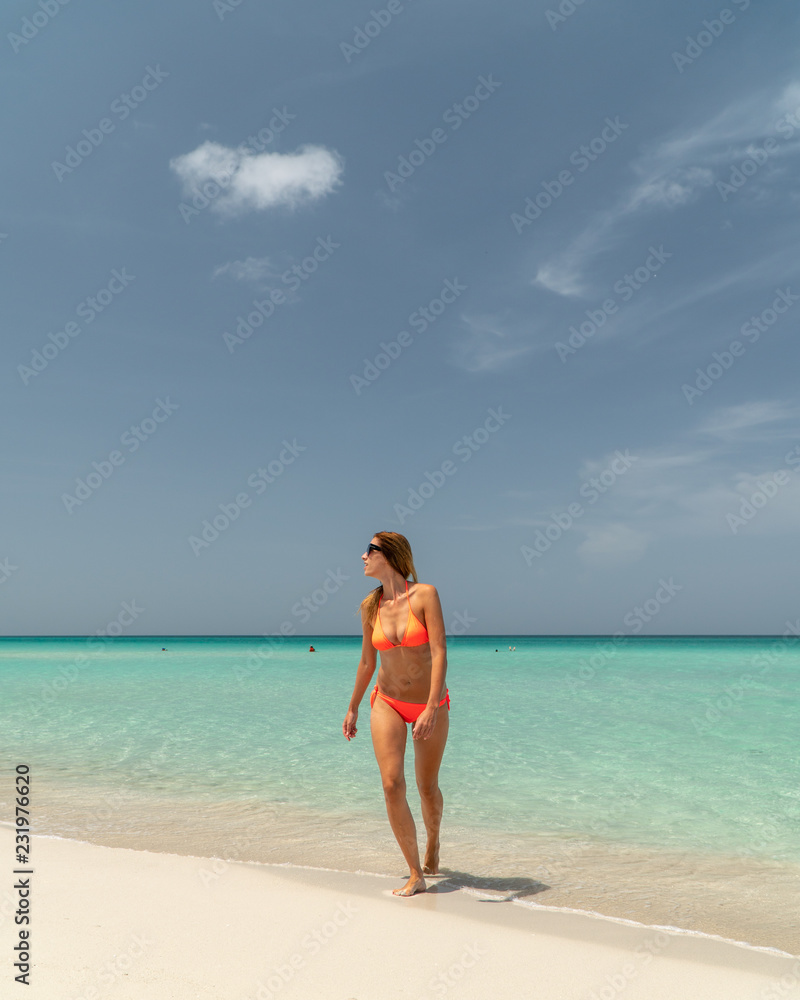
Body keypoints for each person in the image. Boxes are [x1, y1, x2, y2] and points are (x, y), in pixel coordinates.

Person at [343, 532, 449, 896]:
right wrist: (354, 705)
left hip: (427, 704)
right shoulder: (371, 606)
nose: (362, 557)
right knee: (391, 785)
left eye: (368, 550)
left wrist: (432, 707)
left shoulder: (425, 595)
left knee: (426, 787)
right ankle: (415, 872)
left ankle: (433, 842)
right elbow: (367, 661)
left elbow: (439, 652)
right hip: (386, 701)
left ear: (388, 554)